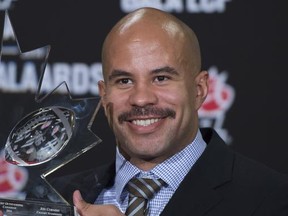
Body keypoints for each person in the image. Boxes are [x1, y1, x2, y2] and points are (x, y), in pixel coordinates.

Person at [0, 6, 287, 216]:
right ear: (104, 95)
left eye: (161, 78)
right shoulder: (56, 200)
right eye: (124, 80)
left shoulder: (269, 199)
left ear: (199, 90)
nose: (140, 98)